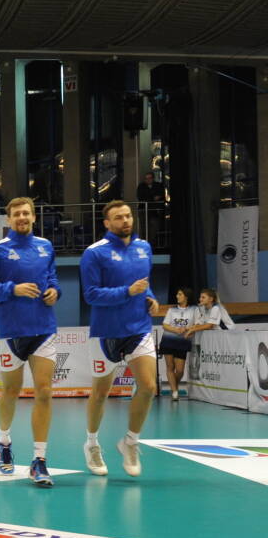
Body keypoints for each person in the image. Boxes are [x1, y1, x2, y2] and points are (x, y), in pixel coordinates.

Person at [0, 198, 61, 487]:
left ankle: (39, 460)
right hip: (10, 332)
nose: (22, 217)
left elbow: (52, 278)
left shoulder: (45, 246)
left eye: (26, 213)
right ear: (8, 220)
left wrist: (55, 291)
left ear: (34, 217)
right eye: (17, 214)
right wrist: (13, 289)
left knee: (44, 391)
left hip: (43, 329)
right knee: (11, 391)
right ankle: (4, 442)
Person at [81, 201, 160, 477]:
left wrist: (150, 298)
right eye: (118, 217)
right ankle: (91, 444)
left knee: (148, 387)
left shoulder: (144, 248)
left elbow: (145, 285)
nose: (125, 220)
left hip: (139, 329)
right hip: (106, 333)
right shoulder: (94, 253)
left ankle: (130, 442)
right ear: (107, 223)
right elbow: (91, 295)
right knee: (100, 393)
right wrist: (127, 292)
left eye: (127, 216)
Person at [157, 288, 197, 402]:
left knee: (180, 370)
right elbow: (165, 325)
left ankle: (173, 386)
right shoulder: (172, 310)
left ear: (186, 296)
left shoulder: (194, 309)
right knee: (170, 367)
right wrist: (176, 330)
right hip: (168, 340)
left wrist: (187, 329)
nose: (177, 296)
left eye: (180, 294)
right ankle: (175, 392)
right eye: (177, 294)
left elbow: (197, 324)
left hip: (183, 342)